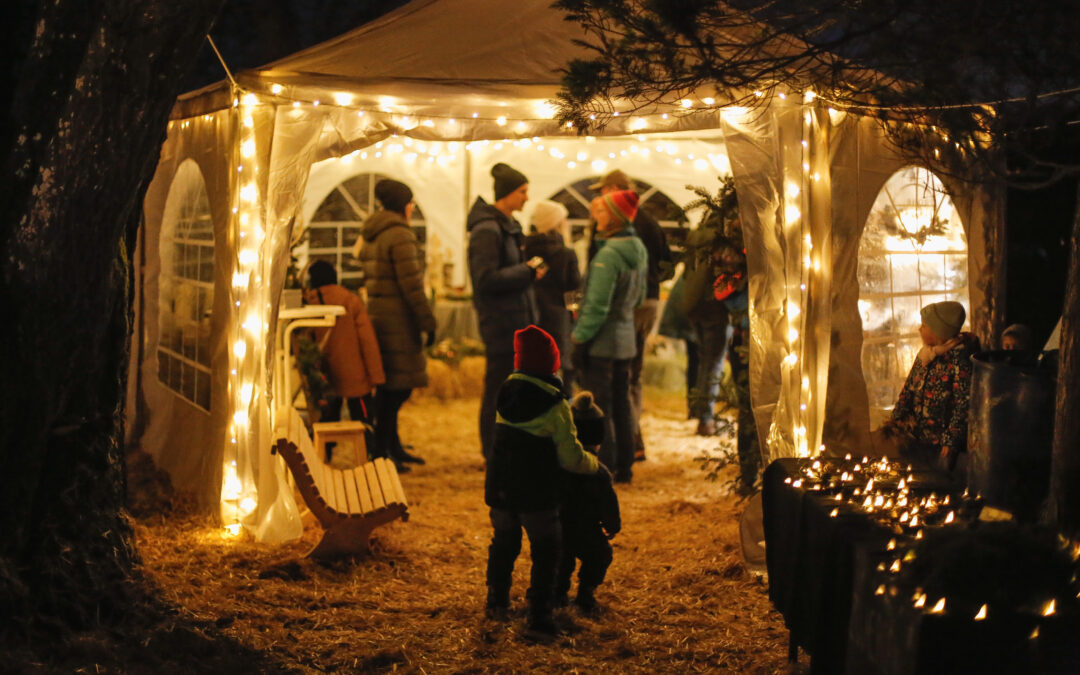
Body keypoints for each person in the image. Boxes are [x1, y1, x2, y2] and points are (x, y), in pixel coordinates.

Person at [484, 325, 599, 642]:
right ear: (552, 363)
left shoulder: (505, 393)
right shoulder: (556, 405)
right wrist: (595, 466)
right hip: (537, 492)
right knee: (547, 550)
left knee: (503, 544)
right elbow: (570, 458)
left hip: (501, 489)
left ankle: (496, 601)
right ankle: (539, 615)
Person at [590, 170, 674, 461]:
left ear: (614, 190)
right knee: (633, 375)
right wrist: (650, 281)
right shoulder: (650, 221)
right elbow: (669, 265)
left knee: (614, 376)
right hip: (649, 301)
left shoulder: (610, 224)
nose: (599, 198)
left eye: (603, 191)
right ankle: (633, 442)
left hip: (622, 305)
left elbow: (595, 269)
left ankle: (617, 444)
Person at [355, 178, 436, 472]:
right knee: (395, 391)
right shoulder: (399, 235)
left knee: (391, 388)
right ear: (404, 205)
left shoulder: (374, 232)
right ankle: (381, 452)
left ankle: (392, 447)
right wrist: (428, 321)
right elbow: (412, 285)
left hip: (380, 318)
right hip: (398, 323)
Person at [468, 163, 545, 462]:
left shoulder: (508, 227)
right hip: (500, 323)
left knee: (513, 389)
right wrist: (526, 272)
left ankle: (508, 447)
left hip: (517, 320)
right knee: (498, 389)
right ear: (507, 194)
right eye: (522, 192)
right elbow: (485, 280)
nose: (527, 198)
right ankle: (492, 451)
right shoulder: (487, 231)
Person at [571, 190, 648, 483]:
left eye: (602, 211)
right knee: (622, 404)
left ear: (615, 217)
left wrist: (579, 338)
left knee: (600, 407)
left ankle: (604, 466)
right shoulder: (637, 247)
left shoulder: (609, 254)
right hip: (626, 338)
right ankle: (625, 465)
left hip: (603, 342)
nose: (595, 216)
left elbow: (596, 306)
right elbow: (639, 296)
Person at [880, 301, 979, 474]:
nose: (920, 329)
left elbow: (964, 404)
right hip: (919, 436)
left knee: (938, 478)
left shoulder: (959, 360)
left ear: (939, 332)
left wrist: (951, 440)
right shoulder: (926, 355)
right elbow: (909, 388)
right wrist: (896, 419)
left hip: (940, 441)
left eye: (925, 326)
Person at [302, 261, 385, 458]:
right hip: (355, 373)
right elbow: (368, 342)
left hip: (326, 374)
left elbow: (306, 341)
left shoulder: (311, 304)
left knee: (328, 420)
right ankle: (368, 456)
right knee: (363, 418)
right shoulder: (351, 300)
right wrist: (376, 376)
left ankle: (323, 457)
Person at [555, 391, 620, 613]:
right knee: (600, 555)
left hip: (559, 528)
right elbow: (608, 502)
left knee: (560, 563)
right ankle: (586, 592)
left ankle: (558, 595)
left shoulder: (558, 464)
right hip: (588, 531)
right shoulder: (598, 471)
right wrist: (612, 525)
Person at [679, 214, 731, 437]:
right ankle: (706, 419)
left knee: (704, 362)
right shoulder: (723, 240)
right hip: (716, 307)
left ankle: (699, 411)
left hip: (695, 305)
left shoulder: (696, 235)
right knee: (714, 364)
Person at [524, 199, 582, 396]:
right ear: (557, 223)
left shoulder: (524, 249)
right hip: (558, 318)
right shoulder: (566, 254)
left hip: (529, 314)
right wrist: (574, 312)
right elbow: (573, 291)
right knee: (561, 370)